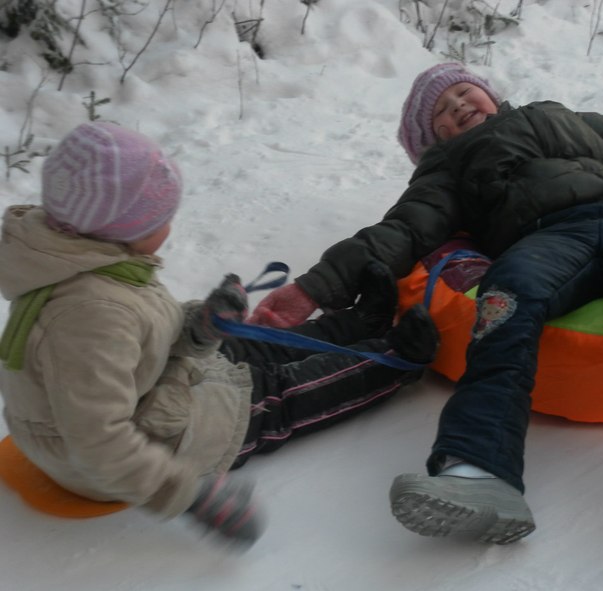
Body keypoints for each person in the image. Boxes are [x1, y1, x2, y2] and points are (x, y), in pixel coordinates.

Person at [249, 61, 603, 545]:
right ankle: (477, 471)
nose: (459, 104)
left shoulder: (557, 116)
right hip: (544, 241)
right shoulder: (445, 169)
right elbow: (401, 231)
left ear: (487, 92)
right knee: (504, 306)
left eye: (464, 91)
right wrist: (313, 289)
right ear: (433, 138)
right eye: (442, 110)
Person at [0, 122, 438, 549]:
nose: (169, 225)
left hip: (150, 385)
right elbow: (98, 441)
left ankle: (361, 323)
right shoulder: (89, 315)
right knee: (276, 395)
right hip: (141, 445)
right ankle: (394, 357)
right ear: (120, 229)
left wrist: (202, 323)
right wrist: (190, 496)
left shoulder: (80, 258)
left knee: (246, 344)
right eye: (160, 218)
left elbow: (144, 330)